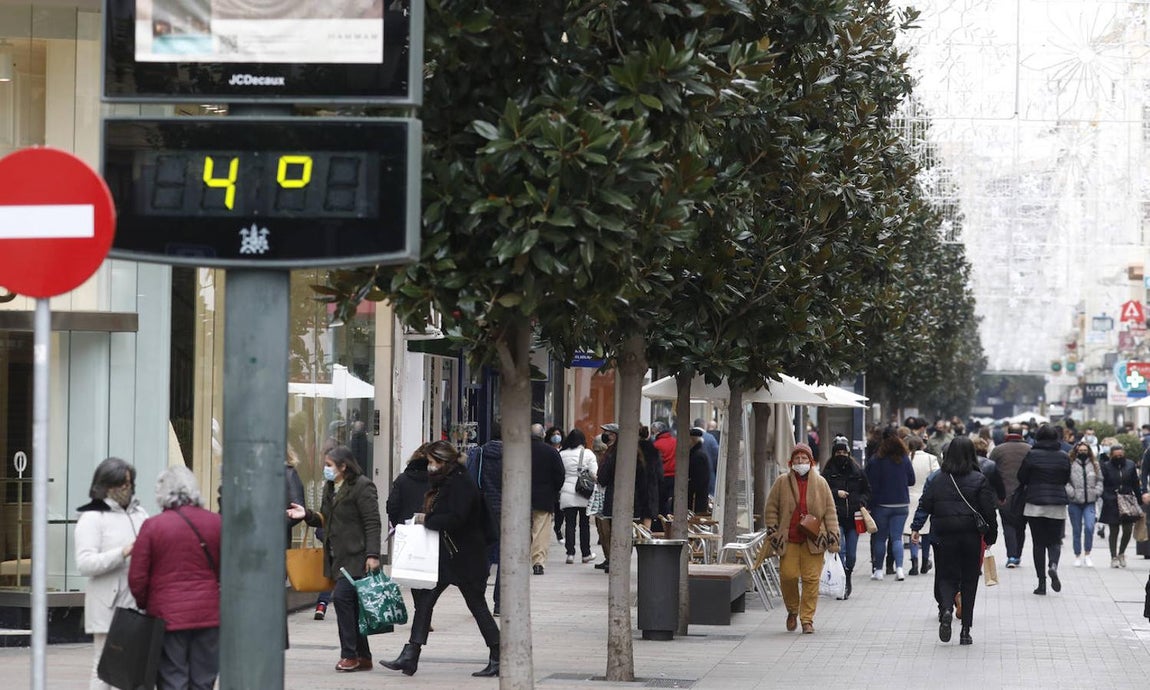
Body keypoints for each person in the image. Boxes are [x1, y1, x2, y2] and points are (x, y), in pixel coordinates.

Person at [378, 440, 500, 678]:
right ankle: (410, 654)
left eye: (433, 462)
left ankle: (497, 654)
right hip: (450, 556)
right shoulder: (451, 480)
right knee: (425, 601)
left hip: (465, 557)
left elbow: (456, 518)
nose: (430, 467)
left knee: (477, 606)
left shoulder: (460, 483)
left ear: (443, 462)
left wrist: (428, 520)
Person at [287, 445, 382, 672]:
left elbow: (372, 522)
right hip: (336, 556)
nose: (325, 469)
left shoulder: (362, 486)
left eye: (329, 465)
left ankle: (349, 655)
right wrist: (306, 515)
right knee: (353, 607)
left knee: (341, 599)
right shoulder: (330, 487)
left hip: (356, 556)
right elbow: (325, 518)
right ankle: (364, 656)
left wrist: (372, 554)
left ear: (343, 466)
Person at [128, 466, 222, 689]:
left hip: (167, 617)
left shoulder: (152, 527)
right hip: (209, 615)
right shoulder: (216, 523)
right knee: (203, 681)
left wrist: (145, 604)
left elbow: (137, 577)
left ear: (162, 492)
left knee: (172, 679)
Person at [910, 437, 997, 645]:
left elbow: (925, 504)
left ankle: (947, 608)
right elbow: (989, 511)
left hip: (942, 534)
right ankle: (965, 630)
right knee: (969, 580)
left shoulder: (936, 478)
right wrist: (991, 535)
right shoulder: (979, 479)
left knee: (945, 576)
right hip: (970, 536)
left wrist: (916, 527)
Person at [75, 457, 149, 690]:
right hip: (107, 604)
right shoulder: (93, 518)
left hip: (136, 603)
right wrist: (123, 552)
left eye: (129, 483)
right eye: (121, 484)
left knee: (131, 668)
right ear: (106, 486)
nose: (126, 489)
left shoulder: (140, 514)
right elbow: (85, 563)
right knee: (104, 668)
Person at [762, 443, 839, 634]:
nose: (800, 461)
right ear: (791, 462)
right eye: (797, 458)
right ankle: (792, 610)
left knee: (811, 579)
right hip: (789, 538)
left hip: (814, 538)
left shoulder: (821, 483)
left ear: (811, 461)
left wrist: (833, 535)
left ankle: (807, 619)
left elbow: (830, 510)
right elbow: (771, 507)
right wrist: (772, 529)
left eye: (804, 458)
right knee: (788, 576)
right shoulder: (781, 482)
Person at [1016, 424, 1071, 595]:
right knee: (1055, 540)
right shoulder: (1063, 456)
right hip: (1057, 502)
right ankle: (1053, 564)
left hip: (1035, 502)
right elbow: (1066, 478)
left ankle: (1041, 584)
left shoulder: (1032, 454)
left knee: (1038, 543)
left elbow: (1021, 477)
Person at [821, 438, 870, 600]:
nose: (841, 455)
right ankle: (841, 582)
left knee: (852, 554)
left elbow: (867, 491)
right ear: (833, 454)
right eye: (838, 453)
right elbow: (822, 491)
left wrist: (861, 502)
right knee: (840, 549)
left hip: (854, 518)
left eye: (844, 452)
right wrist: (837, 493)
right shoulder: (828, 473)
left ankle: (848, 576)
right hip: (836, 516)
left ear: (848, 453)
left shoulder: (857, 471)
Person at [865, 428, 915, 580]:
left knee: (880, 538)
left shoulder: (876, 460)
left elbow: (869, 483)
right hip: (901, 504)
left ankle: (878, 571)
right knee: (897, 538)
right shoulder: (904, 458)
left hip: (882, 504)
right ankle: (899, 569)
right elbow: (911, 480)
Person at [988, 425, 1030, 568]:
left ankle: (1011, 555)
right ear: (1021, 434)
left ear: (1008, 433)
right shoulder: (1029, 449)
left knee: (1008, 526)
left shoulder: (998, 450)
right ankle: (1017, 555)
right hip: (1024, 494)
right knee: (1021, 526)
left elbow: (990, 470)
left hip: (1003, 495)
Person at [530, 423, 566, 575]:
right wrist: (554, 490)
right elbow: (560, 475)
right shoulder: (551, 452)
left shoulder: (519, 451)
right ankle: (538, 562)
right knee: (541, 531)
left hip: (521, 496)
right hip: (544, 497)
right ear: (543, 435)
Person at [558, 429, 598, 564]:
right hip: (584, 492)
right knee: (584, 524)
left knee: (569, 523)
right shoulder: (587, 453)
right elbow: (595, 473)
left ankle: (570, 553)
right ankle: (586, 553)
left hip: (566, 492)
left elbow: (558, 472)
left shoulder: (561, 454)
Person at [1100, 444, 1142, 568]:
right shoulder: (1106, 466)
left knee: (1128, 529)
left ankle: (1121, 553)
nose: (1119, 457)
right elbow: (1101, 483)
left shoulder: (1130, 465)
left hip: (1127, 499)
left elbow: (1135, 483)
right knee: (1114, 530)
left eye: (1121, 455)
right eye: (1116, 455)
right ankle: (1113, 556)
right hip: (1112, 500)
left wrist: (1139, 500)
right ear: (1111, 455)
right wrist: (1106, 497)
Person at [905, 435, 939, 576]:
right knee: (926, 532)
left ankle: (914, 563)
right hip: (926, 497)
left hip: (909, 497)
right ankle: (925, 562)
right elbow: (936, 477)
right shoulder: (931, 459)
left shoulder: (904, 459)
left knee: (913, 531)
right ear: (922, 445)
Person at [1065, 440, 1102, 567]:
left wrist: (1097, 492)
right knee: (1076, 530)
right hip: (1075, 502)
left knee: (1089, 527)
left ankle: (1087, 554)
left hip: (1090, 501)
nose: (1083, 453)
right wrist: (1071, 493)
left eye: (1085, 451)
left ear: (1089, 452)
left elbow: (1100, 480)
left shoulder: (1094, 464)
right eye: (1080, 451)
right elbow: (1065, 481)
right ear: (1076, 451)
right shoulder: (1070, 464)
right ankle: (1077, 555)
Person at [387, 444, 430, 528]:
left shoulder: (402, 479)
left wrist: (398, 524)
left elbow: (392, 505)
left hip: (406, 529)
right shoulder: (439, 480)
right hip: (433, 532)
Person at [651, 421, 677, 515]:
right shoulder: (675, 442)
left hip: (662, 478)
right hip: (675, 477)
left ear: (657, 432)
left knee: (662, 503)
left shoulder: (656, 445)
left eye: (653, 432)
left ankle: (662, 522)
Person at [686, 428, 712, 515]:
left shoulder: (698, 455)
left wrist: (689, 488)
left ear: (692, 440)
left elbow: (698, 479)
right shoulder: (698, 452)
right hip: (698, 495)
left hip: (697, 497)